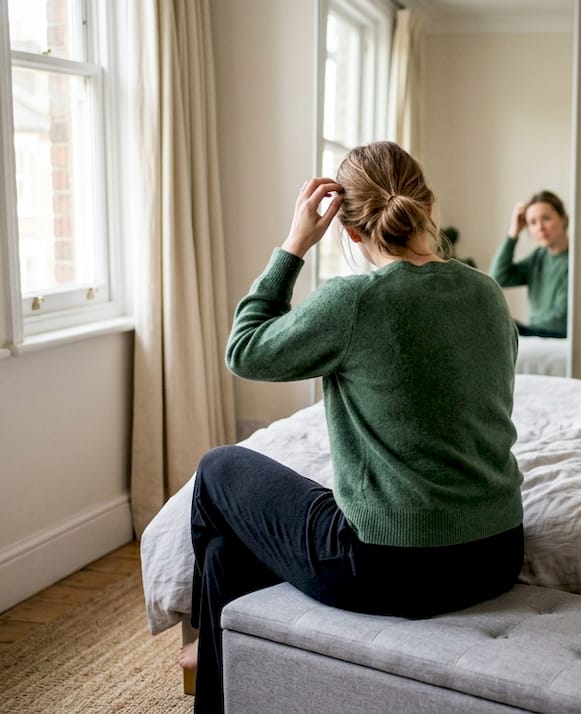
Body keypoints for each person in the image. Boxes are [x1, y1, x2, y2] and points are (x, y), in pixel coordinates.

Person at [183, 141, 525, 714]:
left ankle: (199, 647)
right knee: (224, 555)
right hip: (496, 554)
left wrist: (293, 245)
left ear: (349, 230)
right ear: (430, 204)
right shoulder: (486, 292)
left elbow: (243, 350)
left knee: (218, 468)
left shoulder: (353, 301)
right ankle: (223, 676)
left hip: (396, 568)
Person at [490, 190, 570, 338]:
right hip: (536, 332)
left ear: (563, 219)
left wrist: (527, 328)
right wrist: (513, 233)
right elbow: (499, 277)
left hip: (557, 335)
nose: (540, 227)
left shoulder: (575, 260)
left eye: (546, 218)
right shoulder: (538, 257)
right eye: (532, 222)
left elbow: (561, 319)